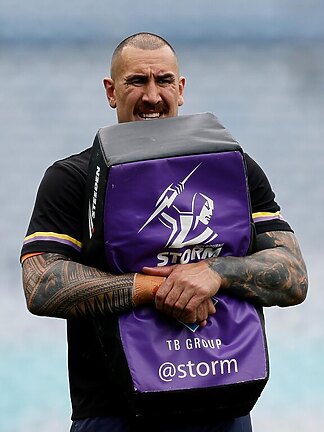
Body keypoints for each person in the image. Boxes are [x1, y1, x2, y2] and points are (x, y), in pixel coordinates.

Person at [21, 32, 308, 432]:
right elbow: (41, 283)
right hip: (111, 414)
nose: (153, 96)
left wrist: (216, 273)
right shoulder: (72, 178)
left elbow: (292, 275)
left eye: (164, 81)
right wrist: (155, 288)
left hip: (222, 405)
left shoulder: (234, 170)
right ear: (111, 91)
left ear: (182, 88)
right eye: (137, 81)